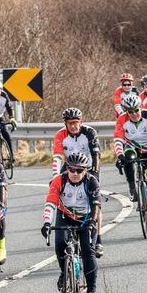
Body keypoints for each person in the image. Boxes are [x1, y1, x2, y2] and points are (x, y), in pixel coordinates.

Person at [41, 152, 100, 293]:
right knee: (60, 244)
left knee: (88, 251)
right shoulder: (59, 181)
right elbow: (51, 202)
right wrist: (47, 223)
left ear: (85, 170)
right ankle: (64, 271)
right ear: (66, 168)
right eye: (71, 169)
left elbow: (96, 205)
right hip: (65, 215)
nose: (75, 173)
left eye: (79, 170)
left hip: (86, 218)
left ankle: (92, 292)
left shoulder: (91, 182)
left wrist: (93, 222)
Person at [51, 107, 103, 256]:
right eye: (70, 123)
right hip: (68, 166)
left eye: (76, 122)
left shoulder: (89, 133)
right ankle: (66, 219)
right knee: (60, 191)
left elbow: (96, 155)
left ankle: (98, 238)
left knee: (95, 202)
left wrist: (95, 174)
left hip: (87, 168)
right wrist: (55, 175)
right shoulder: (60, 135)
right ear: (65, 123)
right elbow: (57, 157)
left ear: (81, 122)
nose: (73, 126)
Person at [113, 95, 147, 226]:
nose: (134, 114)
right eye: (130, 112)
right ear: (126, 112)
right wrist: (120, 156)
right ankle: (132, 188)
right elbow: (118, 139)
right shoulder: (122, 119)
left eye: (136, 110)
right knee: (128, 159)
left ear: (140, 107)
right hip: (133, 147)